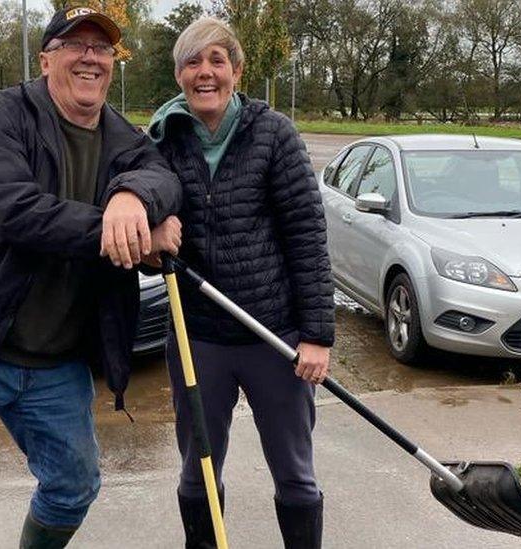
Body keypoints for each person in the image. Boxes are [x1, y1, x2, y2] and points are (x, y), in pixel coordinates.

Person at [0, 7, 182, 548]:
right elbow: (15, 211)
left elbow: (164, 179)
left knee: (73, 486)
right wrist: (122, 229)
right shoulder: (1, 115)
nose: (91, 57)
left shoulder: (123, 137)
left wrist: (134, 196)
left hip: (54, 360)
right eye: (76, 44)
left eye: (102, 49)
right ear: (47, 56)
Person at [147, 17, 335, 549]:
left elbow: (307, 235)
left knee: (295, 473)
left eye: (216, 61)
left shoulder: (273, 133)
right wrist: (151, 233)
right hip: (197, 336)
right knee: (198, 471)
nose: (204, 73)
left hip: (274, 337)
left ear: (237, 70)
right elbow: (145, 237)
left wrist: (317, 334)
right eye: (192, 62)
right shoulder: (162, 140)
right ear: (179, 74)